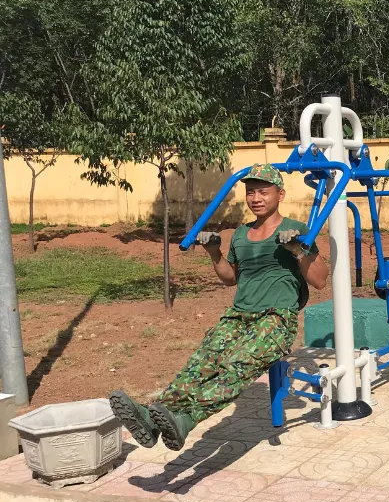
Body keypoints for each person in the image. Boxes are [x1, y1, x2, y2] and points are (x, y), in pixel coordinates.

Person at [109, 163, 329, 451]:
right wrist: (214, 253)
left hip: (275, 318)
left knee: (235, 366)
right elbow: (230, 278)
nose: (256, 198)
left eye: (263, 192)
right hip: (238, 317)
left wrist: (297, 250)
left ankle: (186, 419)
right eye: (251, 192)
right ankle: (152, 419)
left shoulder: (296, 230)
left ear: (280, 194)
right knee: (201, 363)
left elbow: (320, 280)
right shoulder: (240, 234)